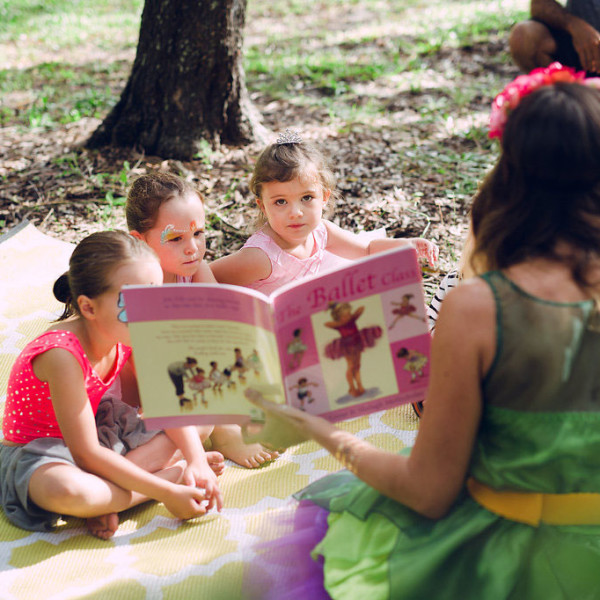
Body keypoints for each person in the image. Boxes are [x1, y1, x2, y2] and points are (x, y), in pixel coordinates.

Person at [242, 66, 600, 598]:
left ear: (509, 177)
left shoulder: (477, 307)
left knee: (333, 510)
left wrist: (318, 429)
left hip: (500, 554)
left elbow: (429, 493)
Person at [0, 231, 223, 540]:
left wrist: (197, 461)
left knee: (200, 417)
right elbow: (86, 454)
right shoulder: (61, 355)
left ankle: (112, 496)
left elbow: (166, 401)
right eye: (133, 302)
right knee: (68, 491)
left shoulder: (129, 332)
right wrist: (168, 491)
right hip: (41, 453)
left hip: (100, 431)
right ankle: (139, 489)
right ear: (89, 308)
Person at [127, 172, 277, 468]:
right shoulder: (136, 287)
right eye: (175, 238)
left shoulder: (194, 270)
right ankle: (223, 431)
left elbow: (221, 326)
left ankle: (231, 419)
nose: (192, 247)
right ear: (140, 240)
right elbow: (140, 362)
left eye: (198, 234)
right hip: (150, 386)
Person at [209, 130, 439, 295]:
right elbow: (205, 279)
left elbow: (367, 249)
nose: (296, 212)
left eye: (306, 198)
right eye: (280, 202)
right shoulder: (261, 257)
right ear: (263, 206)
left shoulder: (321, 232)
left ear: (324, 197)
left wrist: (408, 244)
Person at [509, 0, 600, 74]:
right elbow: (539, 4)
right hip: (577, 52)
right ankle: (560, 89)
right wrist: (574, 25)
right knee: (523, 35)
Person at [324, 302, 382, 398]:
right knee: (351, 366)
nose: (348, 317)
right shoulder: (339, 324)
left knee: (357, 366)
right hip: (347, 346)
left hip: (357, 343)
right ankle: (352, 388)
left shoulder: (352, 319)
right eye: (344, 315)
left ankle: (360, 385)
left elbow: (362, 307)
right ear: (338, 317)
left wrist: (352, 316)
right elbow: (327, 324)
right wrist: (340, 322)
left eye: (348, 314)